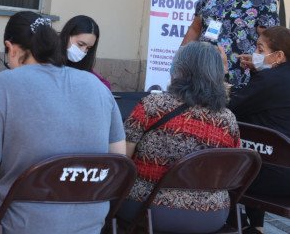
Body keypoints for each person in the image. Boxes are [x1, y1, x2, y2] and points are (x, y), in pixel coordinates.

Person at [0, 11, 126, 234]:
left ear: (10, 47)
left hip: (23, 222)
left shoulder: (6, 83)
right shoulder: (98, 86)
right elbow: (118, 158)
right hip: (90, 222)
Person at [118, 41, 240, 233]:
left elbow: (122, 160)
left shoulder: (153, 105)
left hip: (151, 208)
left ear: (180, 69)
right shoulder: (228, 120)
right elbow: (232, 170)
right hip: (212, 214)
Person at [181, 0, 279, 89]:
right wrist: (180, 60)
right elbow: (195, 29)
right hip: (200, 75)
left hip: (239, 82)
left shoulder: (265, 1)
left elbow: (270, 44)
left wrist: (259, 63)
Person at [228, 26, 290, 234]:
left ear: (278, 56)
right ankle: (256, 227)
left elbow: (230, 109)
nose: (255, 54)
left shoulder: (269, 80)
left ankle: (228, 224)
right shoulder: (273, 79)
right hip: (280, 167)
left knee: (219, 165)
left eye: (260, 49)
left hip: (275, 176)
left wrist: (223, 76)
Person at [59, 15, 111, 89]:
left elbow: (105, 85)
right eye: (80, 44)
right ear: (67, 36)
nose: (83, 51)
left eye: (88, 48)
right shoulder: (47, 59)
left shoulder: (83, 65)